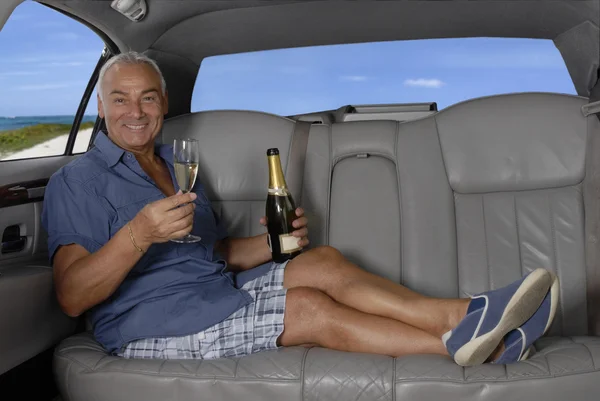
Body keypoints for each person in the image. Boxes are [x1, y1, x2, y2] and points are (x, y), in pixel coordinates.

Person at [42, 52, 559, 367]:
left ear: (163, 104)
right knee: (308, 308)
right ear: (101, 107)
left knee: (321, 262)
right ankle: (475, 346)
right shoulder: (78, 181)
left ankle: (460, 315)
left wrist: (274, 243)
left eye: (148, 99)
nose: (136, 112)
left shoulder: (175, 168)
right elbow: (71, 296)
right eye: (121, 100)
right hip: (150, 325)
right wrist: (137, 234)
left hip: (212, 291)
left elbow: (211, 252)